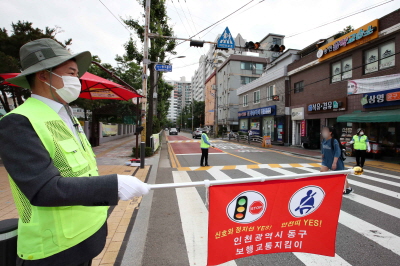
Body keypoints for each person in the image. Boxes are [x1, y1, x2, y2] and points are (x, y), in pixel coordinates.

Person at [0, 38, 149, 266]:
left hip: (87, 236)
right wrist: (113, 185)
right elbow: (43, 189)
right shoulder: (18, 122)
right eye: (70, 72)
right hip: (54, 249)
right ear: (43, 75)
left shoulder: (67, 115)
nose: (76, 80)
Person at [320, 126, 352, 194]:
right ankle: (324, 187)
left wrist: (334, 163)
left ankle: (348, 188)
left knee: (340, 176)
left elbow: (337, 152)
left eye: (325, 131)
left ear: (330, 133)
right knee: (322, 174)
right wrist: (322, 156)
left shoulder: (334, 141)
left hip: (336, 161)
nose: (323, 133)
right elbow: (323, 150)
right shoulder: (323, 140)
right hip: (326, 161)